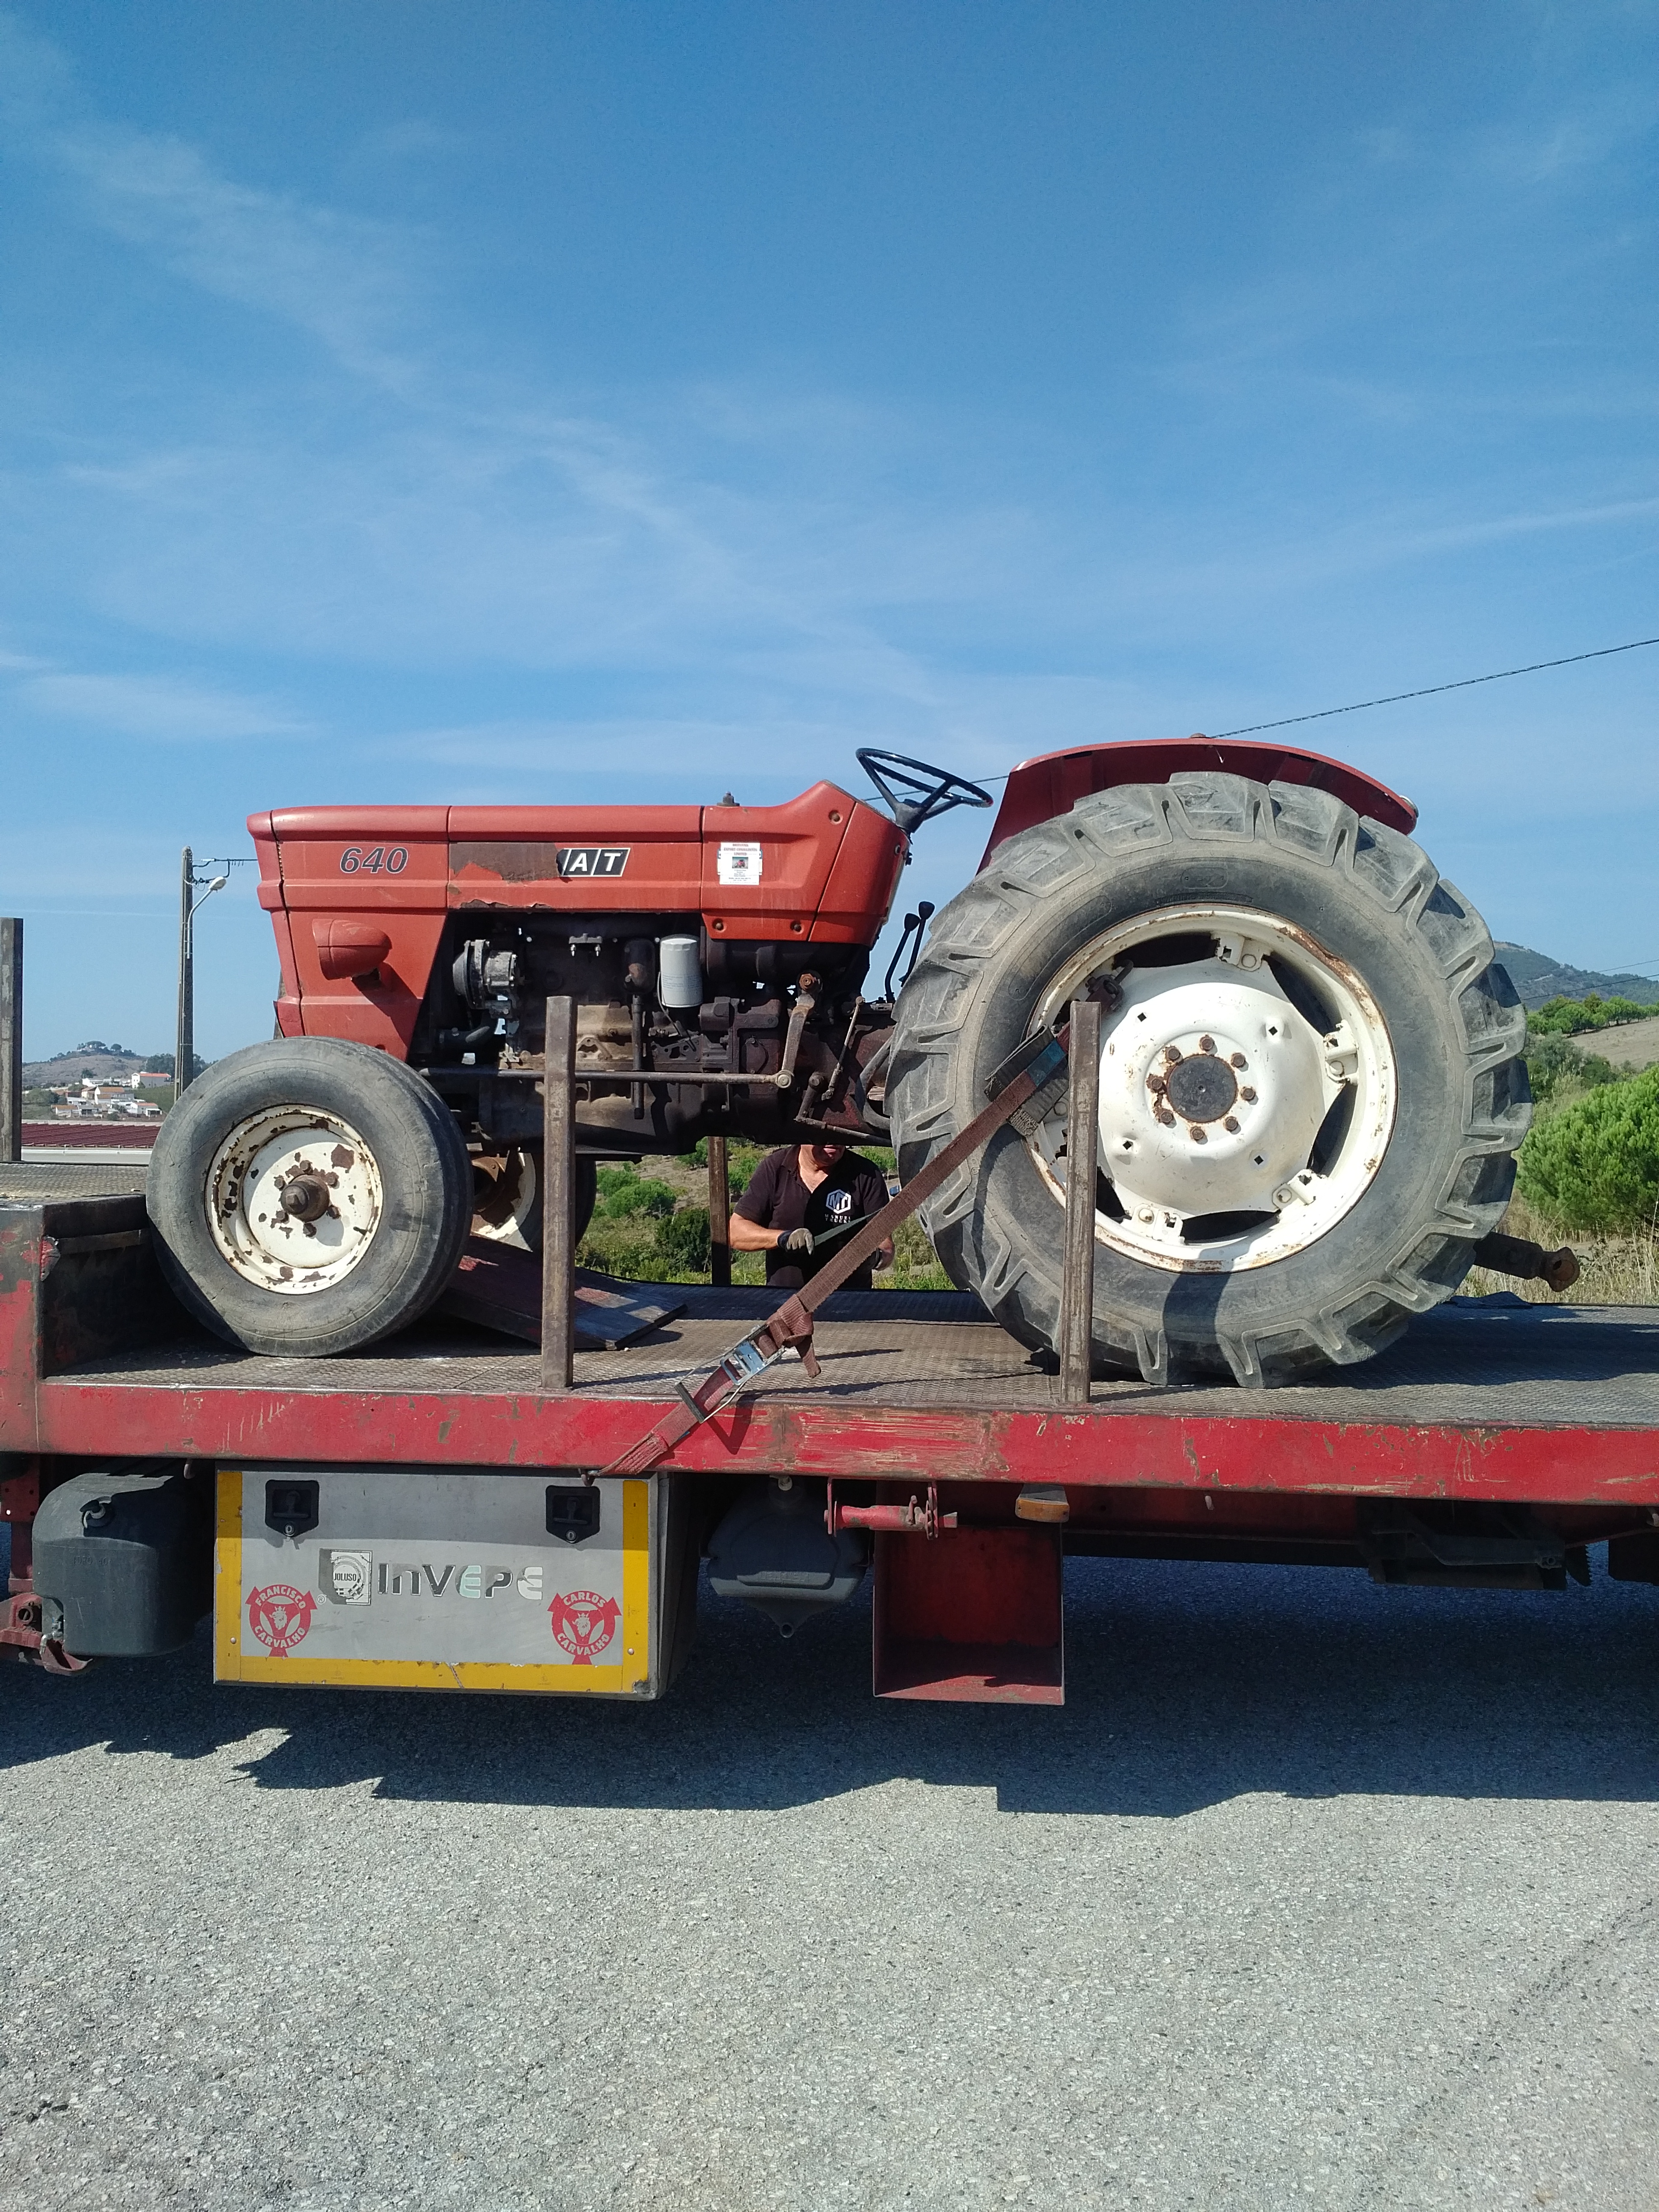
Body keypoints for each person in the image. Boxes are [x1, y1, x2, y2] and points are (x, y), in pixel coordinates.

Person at [729, 1139, 894, 1291]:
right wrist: (783, 1239)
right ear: (804, 1134)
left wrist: (873, 1259)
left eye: (842, 1135)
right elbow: (736, 1233)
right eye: (825, 1135)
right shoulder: (775, 1168)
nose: (835, 1141)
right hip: (785, 1303)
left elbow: (886, 1247)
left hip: (850, 1301)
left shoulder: (866, 1174)